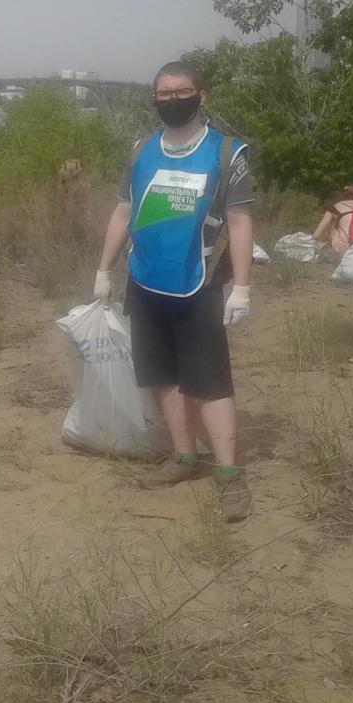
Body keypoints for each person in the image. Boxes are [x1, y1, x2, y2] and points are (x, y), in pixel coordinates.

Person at [92, 61, 254, 522]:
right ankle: (183, 457)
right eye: (163, 93)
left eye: (181, 92)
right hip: (144, 281)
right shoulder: (141, 149)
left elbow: (241, 222)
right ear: (154, 98)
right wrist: (104, 268)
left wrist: (241, 287)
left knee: (209, 382)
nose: (172, 99)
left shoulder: (227, 152)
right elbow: (124, 212)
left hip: (197, 284)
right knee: (161, 376)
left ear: (201, 96)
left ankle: (228, 475)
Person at [312, 186, 353, 255]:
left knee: (333, 227)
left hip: (346, 248)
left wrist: (314, 238)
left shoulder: (336, 206)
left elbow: (320, 230)